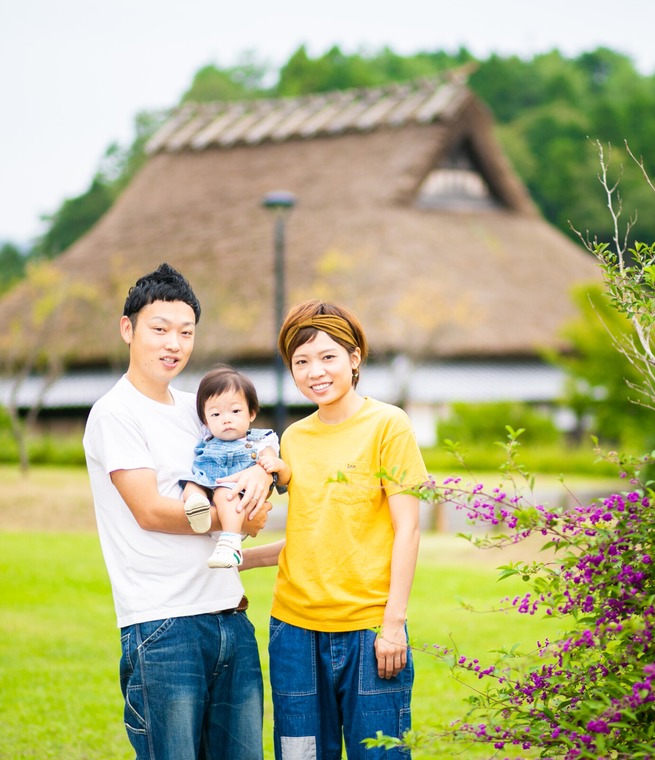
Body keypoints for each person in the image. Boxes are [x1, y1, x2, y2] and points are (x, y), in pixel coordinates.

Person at [82, 262, 275, 760]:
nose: (174, 343)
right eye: (160, 329)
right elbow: (148, 510)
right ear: (129, 329)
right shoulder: (114, 412)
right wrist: (238, 521)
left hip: (230, 617)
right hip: (164, 626)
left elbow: (253, 460)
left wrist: (262, 480)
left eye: (186, 332)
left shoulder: (202, 408)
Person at [242, 299, 428, 759]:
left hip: (369, 632)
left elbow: (407, 531)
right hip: (293, 635)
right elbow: (314, 533)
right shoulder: (293, 439)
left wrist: (393, 624)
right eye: (301, 362)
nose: (314, 372)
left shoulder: (389, 425)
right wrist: (239, 560)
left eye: (327, 357)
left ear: (354, 358)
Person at [180, 364, 291, 569]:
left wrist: (275, 464)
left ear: (251, 413)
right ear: (205, 420)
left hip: (236, 496)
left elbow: (283, 475)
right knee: (191, 485)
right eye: (216, 415)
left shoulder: (261, 441)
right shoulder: (206, 439)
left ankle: (231, 544)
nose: (226, 419)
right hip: (208, 485)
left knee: (225, 493)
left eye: (235, 411)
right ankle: (198, 509)